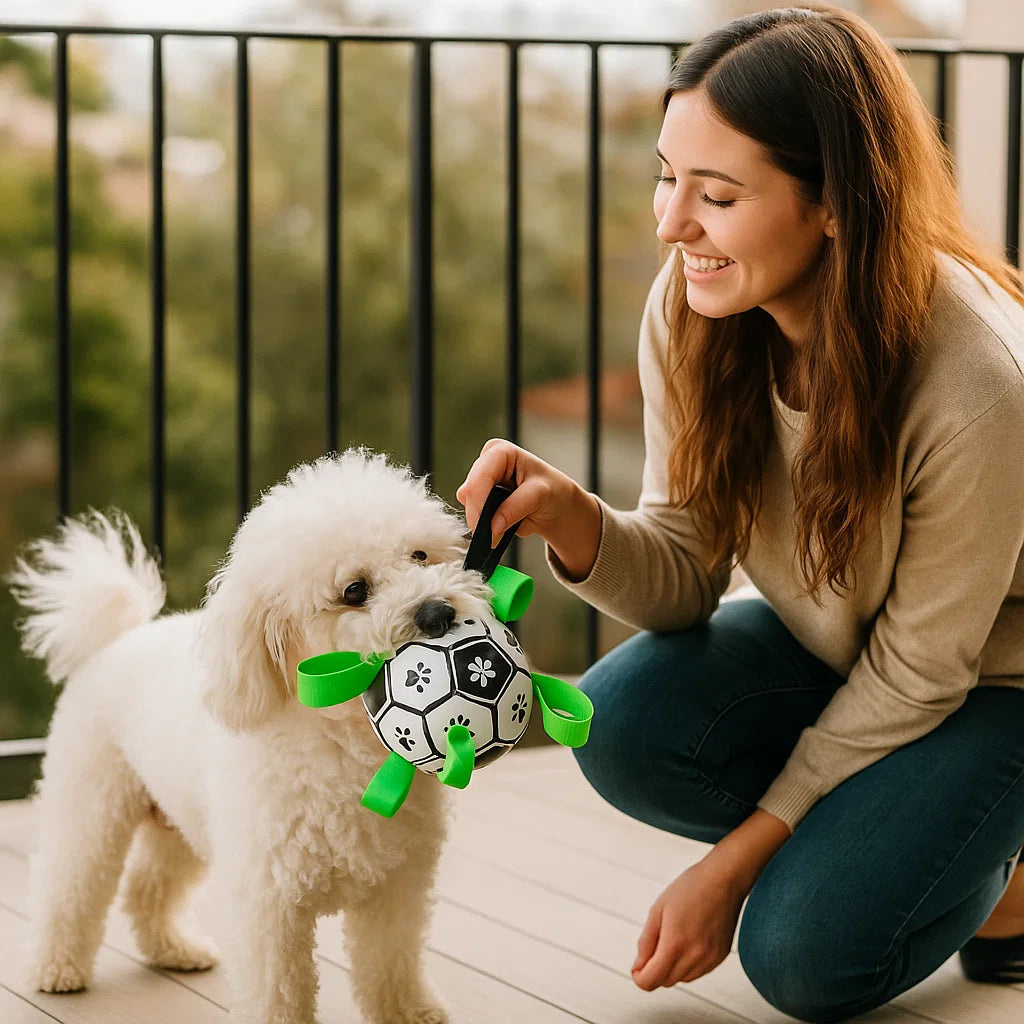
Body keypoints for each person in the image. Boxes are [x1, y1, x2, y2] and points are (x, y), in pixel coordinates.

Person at [456, 4, 1024, 1021]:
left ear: (838, 204)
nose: (673, 224)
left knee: (805, 958)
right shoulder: (696, 303)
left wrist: (739, 857)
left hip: (992, 674)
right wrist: (573, 518)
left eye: (715, 194)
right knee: (620, 723)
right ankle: (905, 835)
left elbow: (920, 669)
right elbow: (682, 573)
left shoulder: (978, 379)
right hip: (845, 642)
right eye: (668, 177)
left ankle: (996, 869)